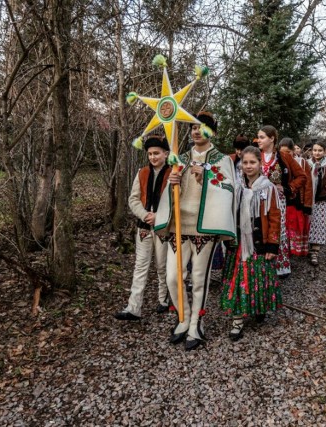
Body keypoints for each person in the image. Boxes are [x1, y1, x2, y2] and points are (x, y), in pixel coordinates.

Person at [154, 112, 236, 351]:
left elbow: (230, 187)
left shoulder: (222, 159)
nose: (196, 132)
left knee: (199, 279)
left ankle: (195, 325)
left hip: (204, 227)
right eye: (193, 128)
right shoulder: (181, 157)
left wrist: (208, 176)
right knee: (172, 277)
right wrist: (173, 184)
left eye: (202, 128)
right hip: (179, 225)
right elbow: (171, 190)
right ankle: (183, 316)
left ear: (213, 132)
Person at [220, 146, 282, 340]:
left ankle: (258, 307)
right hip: (238, 243)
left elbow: (274, 217)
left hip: (258, 243)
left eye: (252, 162)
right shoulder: (236, 187)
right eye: (245, 163)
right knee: (238, 280)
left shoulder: (268, 188)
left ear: (260, 163)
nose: (248, 166)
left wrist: (272, 245)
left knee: (259, 280)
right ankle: (237, 320)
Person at [115, 135, 171, 321]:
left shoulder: (173, 173)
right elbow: (134, 198)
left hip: (164, 227)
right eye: (150, 154)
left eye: (157, 153)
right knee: (140, 266)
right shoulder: (142, 173)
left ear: (166, 153)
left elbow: (176, 202)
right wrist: (145, 215)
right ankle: (134, 307)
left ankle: (163, 299)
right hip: (144, 226)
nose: (153, 157)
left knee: (162, 265)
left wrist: (160, 216)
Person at [256, 126, 307, 277]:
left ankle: (281, 265)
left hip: (278, 201)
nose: (258, 140)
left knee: (278, 229)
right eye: (258, 137)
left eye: (262, 137)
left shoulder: (284, 157)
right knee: (261, 228)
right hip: (257, 201)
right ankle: (261, 264)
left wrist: (287, 188)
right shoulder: (255, 155)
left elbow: (301, 176)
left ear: (272, 138)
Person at [278, 137, 312, 257]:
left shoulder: (302, 162)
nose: (285, 155)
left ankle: (294, 250)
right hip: (283, 200)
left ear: (293, 150)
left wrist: (307, 204)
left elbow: (308, 184)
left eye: (288, 152)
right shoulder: (278, 162)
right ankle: (285, 251)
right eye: (282, 152)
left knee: (295, 225)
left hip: (298, 200)